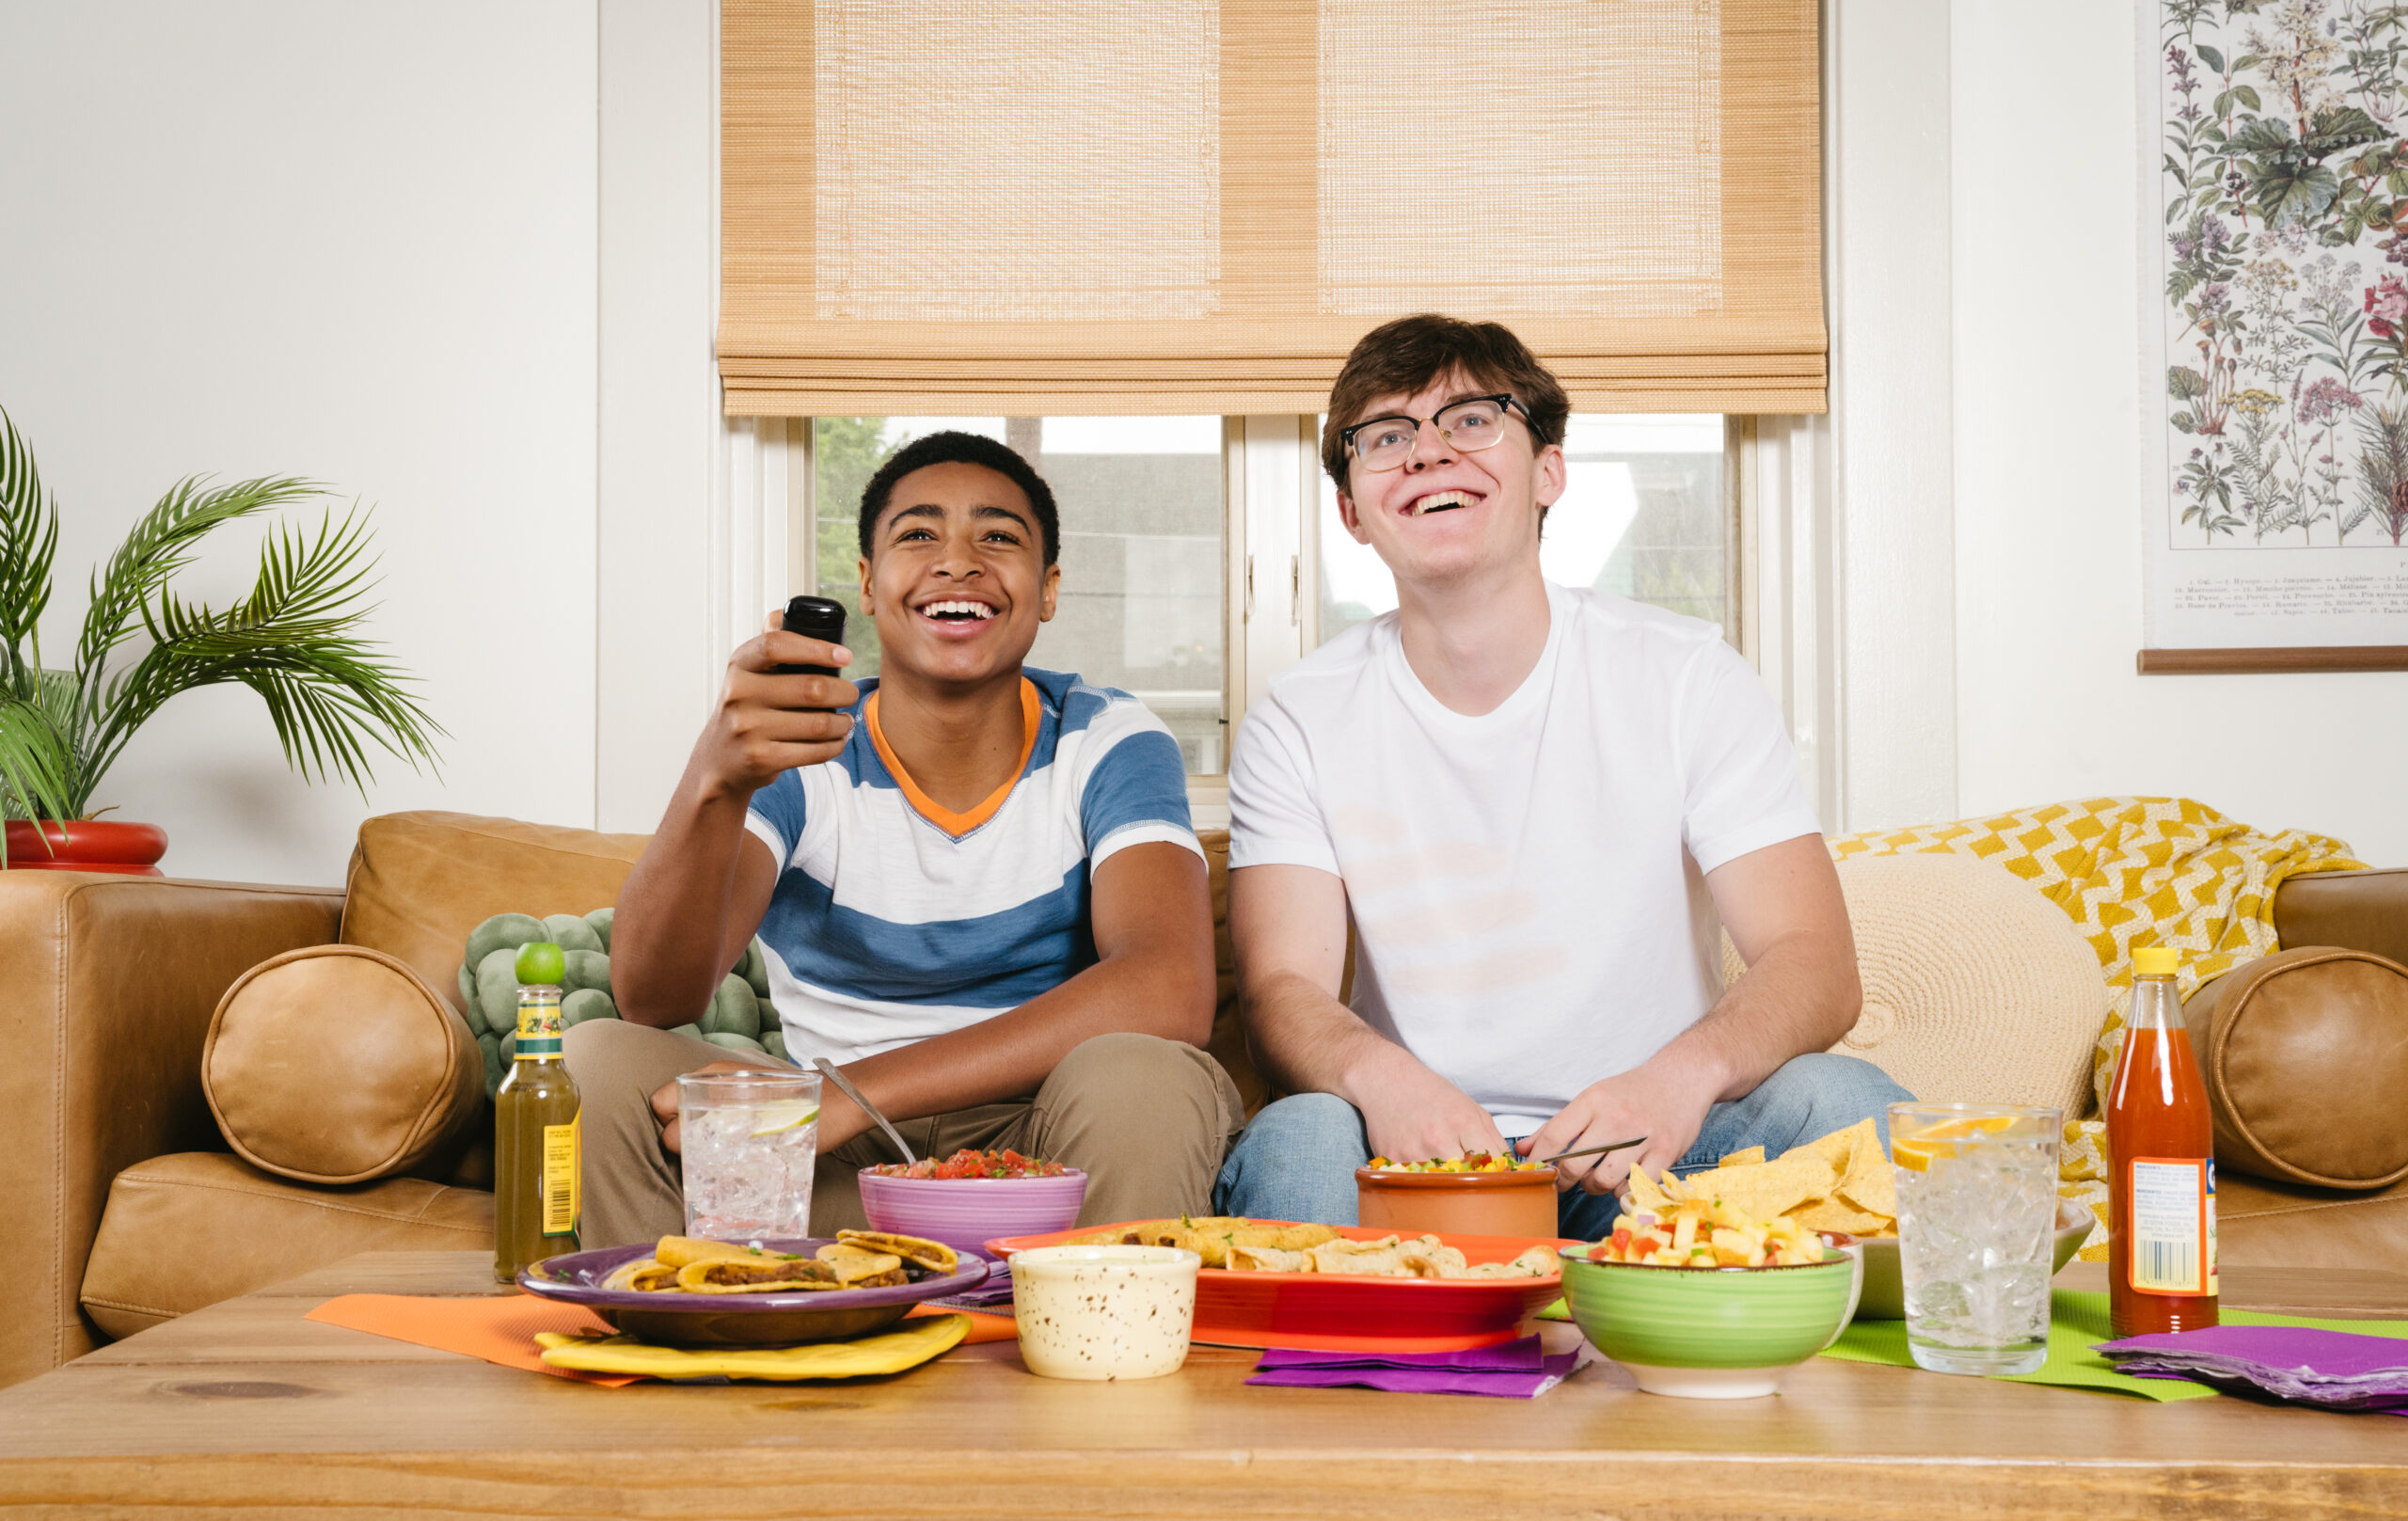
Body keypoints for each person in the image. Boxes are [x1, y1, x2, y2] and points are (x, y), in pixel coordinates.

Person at [1213, 315, 1909, 1238]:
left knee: (1845, 1100)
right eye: (1385, 436)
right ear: (1351, 508)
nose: (1426, 452)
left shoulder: (1686, 674)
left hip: (1658, 1150)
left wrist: (1676, 1079)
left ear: (1548, 470)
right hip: (1423, 1165)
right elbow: (1280, 992)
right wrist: (1382, 1079)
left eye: (1470, 420)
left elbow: (1815, 961)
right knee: (1299, 1137)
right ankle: (1371, 1371)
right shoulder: (1298, 715)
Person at [568, 431, 1241, 1245]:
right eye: (917, 534)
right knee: (597, 1058)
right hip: (830, 1170)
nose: (957, 561)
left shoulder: (1108, 738)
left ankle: (1093, 1350)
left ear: (1050, 587)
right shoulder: (801, 745)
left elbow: (1169, 988)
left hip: (1041, 1160)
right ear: (866, 581)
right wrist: (715, 779)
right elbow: (654, 998)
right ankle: (702, 1328)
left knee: (1146, 1076)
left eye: (998, 536)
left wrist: (850, 1090)